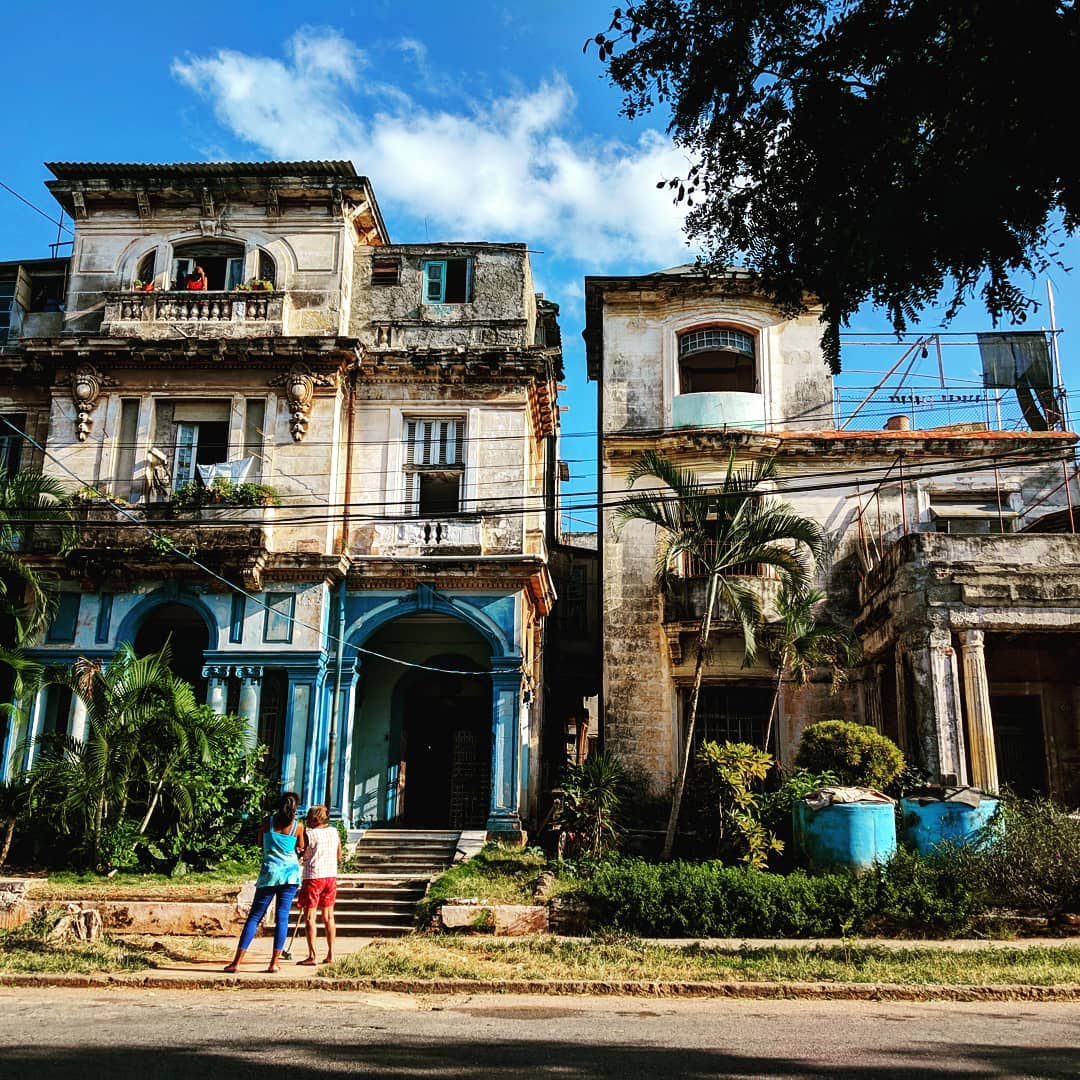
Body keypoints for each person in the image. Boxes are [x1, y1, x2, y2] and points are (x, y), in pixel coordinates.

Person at [224, 792, 305, 974]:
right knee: (282, 917)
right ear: (295, 808)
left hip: (269, 874)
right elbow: (300, 847)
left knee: (254, 917)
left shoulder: (268, 822)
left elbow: (261, 843)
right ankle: (274, 963)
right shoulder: (298, 826)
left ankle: (237, 962)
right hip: (290, 876)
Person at [296, 804, 341, 965]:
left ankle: (312, 955)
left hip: (313, 877)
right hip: (330, 876)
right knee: (329, 916)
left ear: (314, 819)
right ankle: (331, 954)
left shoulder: (309, 834)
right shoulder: (334, 832)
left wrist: (301, 854)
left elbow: (302, 853)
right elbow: (339, 855)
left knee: (310, 917)